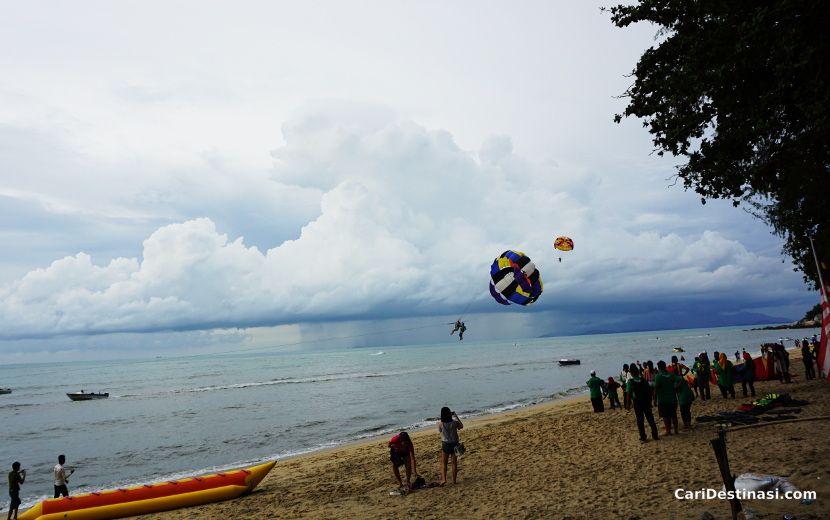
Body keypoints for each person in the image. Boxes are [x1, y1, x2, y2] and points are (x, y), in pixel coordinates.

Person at [626, 365, 659, 443]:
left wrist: (628, 404)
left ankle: (643, 436)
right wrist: (650, 401)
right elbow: (649, 391)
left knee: (640, 420)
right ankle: (655, 435)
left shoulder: (630, 382)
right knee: (650, 418)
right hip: (646, 401)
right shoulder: (643, 380)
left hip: (637, 402)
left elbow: (628, 394)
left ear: (631, 373)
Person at [438, 407, 464, 485]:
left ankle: (444, 479)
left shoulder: (440, 424)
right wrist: (456, 416)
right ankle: (454, 481)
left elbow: (440, 431)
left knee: (444, 463)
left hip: (445, 444)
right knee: (454, 463)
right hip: (455, 443)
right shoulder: (454, 423)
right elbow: (461, 426)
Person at [654, 361, 679, 436]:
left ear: (659, 368)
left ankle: (668, 431)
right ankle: (676, 431)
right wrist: (675, 387)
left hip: (663, 399)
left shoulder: (658, 376)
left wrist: (654, 399)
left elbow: (656, 388)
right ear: (665, 366)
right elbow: (680, 379)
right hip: (672, 398)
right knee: (673, 415)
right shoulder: (671, 374)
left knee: (665, 416)